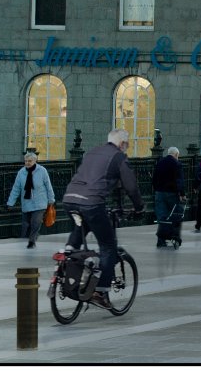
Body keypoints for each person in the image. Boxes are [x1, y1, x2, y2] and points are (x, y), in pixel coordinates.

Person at [60, 129, 145, 309]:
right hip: (91, 202)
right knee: (108, 246)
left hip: (70, 199)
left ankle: (67, 255)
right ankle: (101, 291)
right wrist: (139, 207)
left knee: (81, 227)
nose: (127, 148)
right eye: (127, 144)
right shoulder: (118, 157)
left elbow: (97, 178)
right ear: (121, 143)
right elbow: (130, 186)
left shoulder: (92, 152)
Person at [6, 152, 56, 249]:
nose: (27, 163)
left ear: (35, 161)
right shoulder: (21, 172)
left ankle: (31, 241)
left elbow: (48, 186)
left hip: (40, 202)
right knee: (26, 224)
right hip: (26, 203)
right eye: (26, 161)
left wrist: (51, 199)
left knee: (35, 222)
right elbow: (16, 188)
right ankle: (31, 236)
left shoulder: (42, 171)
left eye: (30, 161)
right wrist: (10, 202)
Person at [151, 147, 186, 247]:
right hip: (172, 193)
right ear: (176, 155)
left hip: (159, 193)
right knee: (175, 215)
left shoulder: (160, 162)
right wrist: (182, 194)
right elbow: (179, 181)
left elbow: (154, 179)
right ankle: (175, 237)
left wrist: (157, 189)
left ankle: (160, 240)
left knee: (162, 217)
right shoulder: (177, 164)